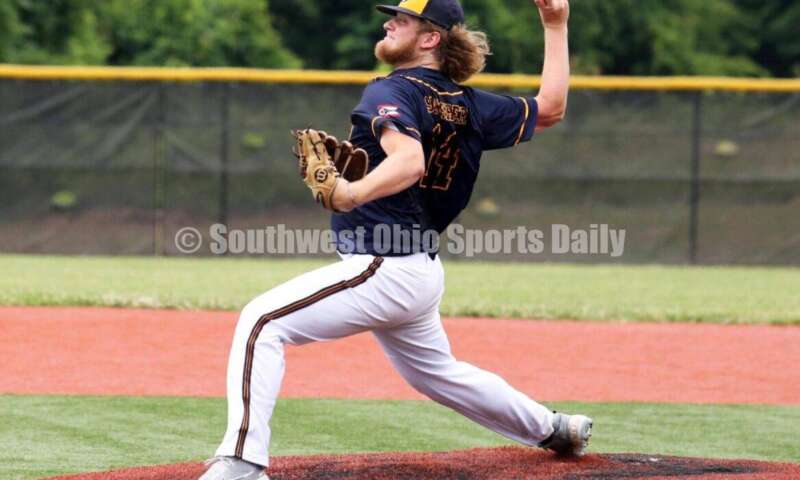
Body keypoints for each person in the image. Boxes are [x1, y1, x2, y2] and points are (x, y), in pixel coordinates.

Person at [199, 0, 589, 479]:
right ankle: (554, 428)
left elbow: (410, 162)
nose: (388, 22)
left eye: (401, 19)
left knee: (261, 322)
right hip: (417, 270)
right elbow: (550, 108)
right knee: (435, 372)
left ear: (430, 39)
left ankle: (241, 462)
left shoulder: (391, 91)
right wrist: (556, 24)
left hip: (384, 264)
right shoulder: (468, 103)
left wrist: (351, 194)